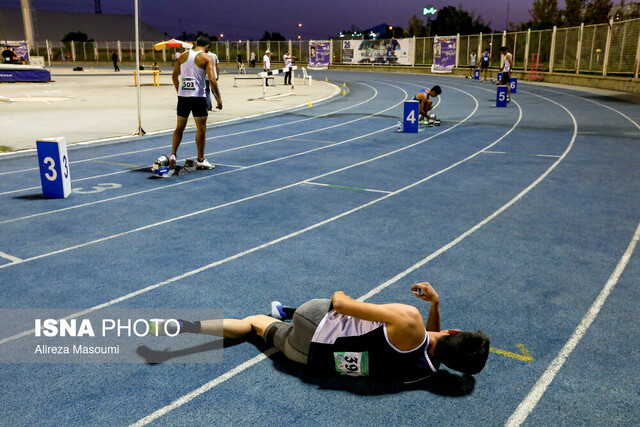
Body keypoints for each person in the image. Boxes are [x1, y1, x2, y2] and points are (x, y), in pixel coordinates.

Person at [152, 282, 490, 382]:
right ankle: (278, 315)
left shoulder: (410, 318)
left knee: (336, 302)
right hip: (311, 360)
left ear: (453, 331)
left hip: (318, 322)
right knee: (255, 323)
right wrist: (437, 307)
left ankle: (185, 326)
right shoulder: (425, 372)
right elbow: (427, 345)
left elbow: (340, 304)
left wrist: (343, 295)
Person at [170, 35, 222, 171]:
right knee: (201, 128)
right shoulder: (206, 57)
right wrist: (219, 98)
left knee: (179, 128)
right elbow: (212, 78)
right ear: (207, 47)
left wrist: (179, 91)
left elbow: (174, 75)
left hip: (183, 96)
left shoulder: (183, 55)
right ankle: (200, 160)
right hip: (198, 97)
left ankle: (173, 155)